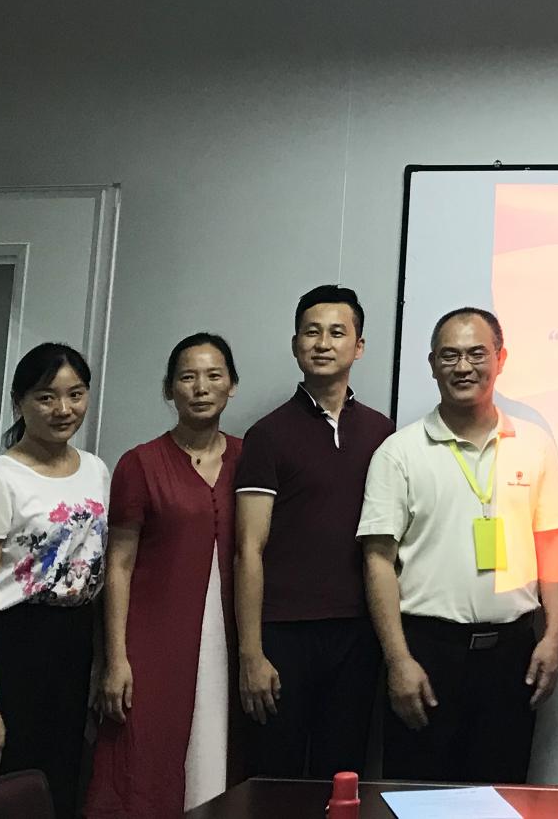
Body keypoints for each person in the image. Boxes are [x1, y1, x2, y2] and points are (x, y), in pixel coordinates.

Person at [359, 307, 558, 783]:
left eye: (477, 354)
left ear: (500, 359)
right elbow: (377, 561)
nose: (463, 367)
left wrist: (554, 636)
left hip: (512, 655)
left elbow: (553, 542)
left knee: (500, 794)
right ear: (432, 364)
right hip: (426, 652)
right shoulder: (399, 452)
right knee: (419, 799)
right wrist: (398, 660)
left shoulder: (534, 444)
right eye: (449, 355)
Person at [0, 342, 110, 818]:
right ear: (19, 402)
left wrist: (100, 662)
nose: (63, 409)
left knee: (59, 788)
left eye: (75, 394)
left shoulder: (97, 470)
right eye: (46, 397)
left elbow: (95, 572)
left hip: (73, 645)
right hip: (12, 649)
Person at [234, 285, 393, 778]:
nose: (323, 343)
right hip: (283, 634)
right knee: (274, 778)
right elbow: (248, 549)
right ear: (295, 343)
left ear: (358, 347)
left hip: (357, 633)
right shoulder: (267, 435)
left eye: (337, 333)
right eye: (311, 332)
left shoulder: (382, 433)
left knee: (342, 775)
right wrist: (251, 652)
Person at [86, 333, 244, 817]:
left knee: (219, 756)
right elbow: (118, 564)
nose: (201, 387)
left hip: (229, 639)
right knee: (148, 760)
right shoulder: (140, 464)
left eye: (214, 375)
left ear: (232, 385)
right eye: (187, 377)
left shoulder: (250, 458)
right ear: (168, 388)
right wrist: (115, 658)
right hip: (153, 644)